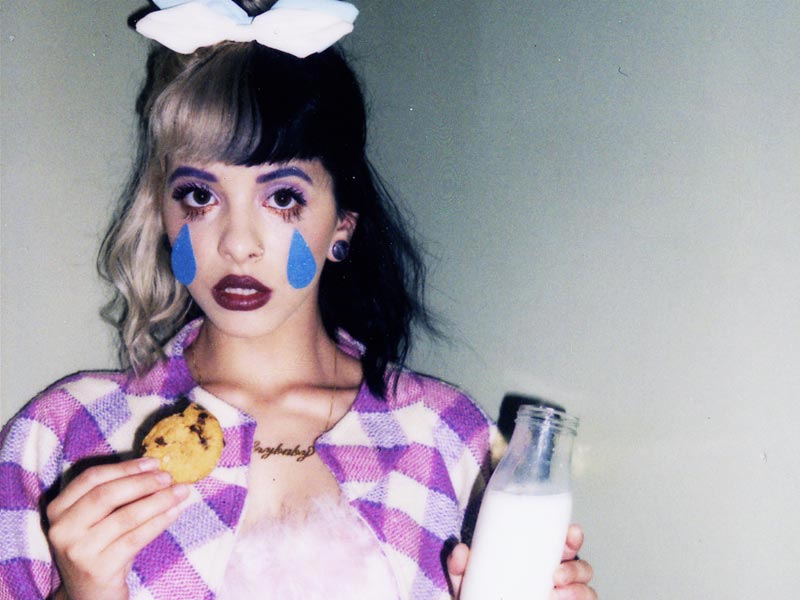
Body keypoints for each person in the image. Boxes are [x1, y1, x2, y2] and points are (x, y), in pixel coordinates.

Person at [0, 1, 596, 599]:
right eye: (200, 197)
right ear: (162, 212)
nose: (237, 243)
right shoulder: (60, 434)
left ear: (342, 224)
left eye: (282, 198)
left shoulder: (449, 438)